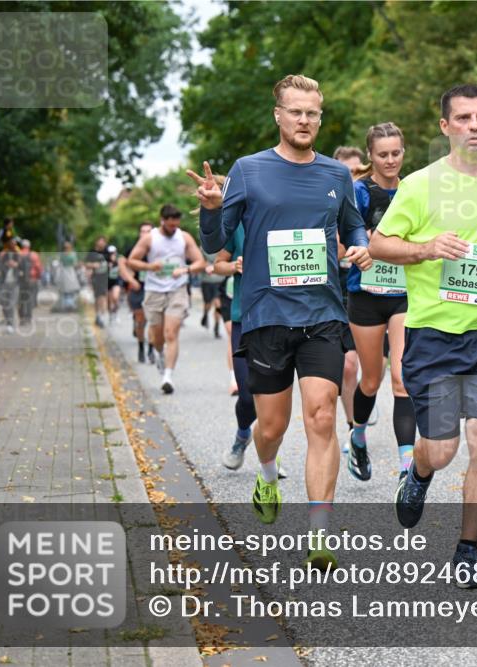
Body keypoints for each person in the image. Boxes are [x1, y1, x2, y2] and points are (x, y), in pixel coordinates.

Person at [191, 74, 371, 570]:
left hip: (322, 314)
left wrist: (360, 244)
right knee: (270, 427)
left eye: (312, 112)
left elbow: (353, 224)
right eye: (296, 111)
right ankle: (266, 474)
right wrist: (210, 211)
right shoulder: (248, 170)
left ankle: (319, 532)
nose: (305, 120)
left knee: (321, 414)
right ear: (278, 114)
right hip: (267, 316)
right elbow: (216, 243)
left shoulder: (336, 175)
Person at [369, 83, 477, 585]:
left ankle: (468, 548)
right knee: (441, 451)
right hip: (435, 337)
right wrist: (426, 248)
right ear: (445, 126)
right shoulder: (420, 184)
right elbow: (380, 245)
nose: (474, 126)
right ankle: (418, 474)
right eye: (463, 118)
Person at [344, 122, 416, 481]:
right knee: (371, 378)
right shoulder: (357, 192)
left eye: (396, 153)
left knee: (402, 378)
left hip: (404, 294)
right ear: (370, 156)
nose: (390, 160)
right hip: (366, 296)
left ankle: (407, 467)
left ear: (404, 153)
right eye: (382, 154)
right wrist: (361, 249)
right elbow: (342, 243)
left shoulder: (413, 190)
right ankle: (358, 436)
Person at [214, 223, 287, 477]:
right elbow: (218, 264)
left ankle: (271, 456)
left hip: (277, 317)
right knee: (247, 394)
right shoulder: (238, 225)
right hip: (242, 318)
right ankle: (242, 435)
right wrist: (233, 265)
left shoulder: (283, 216)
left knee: (273, 395)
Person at [127, 205, 206, 394]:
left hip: (177, 289)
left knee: (171, 333)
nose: (173, 228)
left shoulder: (184, 237)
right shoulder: (150, 238)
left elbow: (200, 262)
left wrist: (185, 269)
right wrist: (150, 266)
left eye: (176, 225)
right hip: (154, 290)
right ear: (162, 220)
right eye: (170, 225)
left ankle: (168, 377)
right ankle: (158, 352)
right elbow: (132, 260)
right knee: (156, 335)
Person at [332, 148, 363, 437]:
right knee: (348, 367)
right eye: (345, 172)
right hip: (338, 298)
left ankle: (366, 396)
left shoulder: (374, 201)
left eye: (356, 172)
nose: (351, 178)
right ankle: (354, 428)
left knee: (375, 373)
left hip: (373, 297)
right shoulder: (327, 203)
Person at [119, 222, 154, 363]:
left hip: (154, 288)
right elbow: (122, 262)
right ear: (139, 233)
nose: (145, 233)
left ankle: (151, 349)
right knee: (141, 321)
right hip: (138, 288)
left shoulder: (157, 248)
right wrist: (130, 279)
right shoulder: (133, 249)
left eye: (149, 231)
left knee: (153, 321)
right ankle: (141, 347)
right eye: (143, 231)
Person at [0, 235, 21, 333]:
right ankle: (8, 322)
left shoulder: (18, 255)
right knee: (4, 304)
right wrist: (6, 264)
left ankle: (11, 325)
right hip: (4, 282)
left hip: (15, 283)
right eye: (12, 243)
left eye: (15, 243)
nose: (13, 245)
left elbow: (24, 266)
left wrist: (16, 265)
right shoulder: (3, 255)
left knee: (11, 304)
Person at [85, 236, 111, 328]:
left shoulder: (107, 252)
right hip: (96, 278)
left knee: (103, 297)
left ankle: (102, 317)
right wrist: (93, 265)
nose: (102, 243)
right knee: (97, 298)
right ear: (96, 242)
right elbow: (86, 264)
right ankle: (98, 315)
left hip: (106, 278)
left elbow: (113, 261)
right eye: (100, 241)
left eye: (103, 242)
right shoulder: (92, 252)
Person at [17, 239, 41, 325]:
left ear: (21, 246)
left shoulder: (18, 254)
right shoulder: (34, 255)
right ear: (29, 246)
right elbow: (38, 268)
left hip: (21, 280)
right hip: (32, 279)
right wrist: (38, 277)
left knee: (21, 299)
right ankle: (28, 318)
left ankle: (22, 318)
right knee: (29, 299)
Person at [57, 241, 81, 312]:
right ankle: (70, 304)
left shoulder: (62, 254)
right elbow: (75, 264)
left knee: (65, 290)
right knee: (71, 289)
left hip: (64, 272)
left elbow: (60, 263)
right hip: (70, 272)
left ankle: (66, 304)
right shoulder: (72, 254)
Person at [106, 245, 122, 324]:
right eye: (110, 253)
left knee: (115, 298)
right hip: (108, 282)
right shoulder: (105, 261)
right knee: (109, 301)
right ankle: (110, 315)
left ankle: (116, 314)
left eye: (113, 252)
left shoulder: (119, 259)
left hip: (116, 281)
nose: (112, 254)